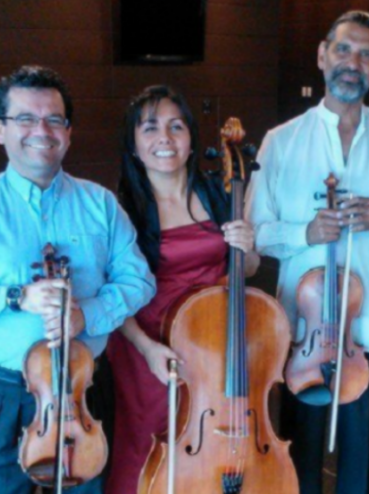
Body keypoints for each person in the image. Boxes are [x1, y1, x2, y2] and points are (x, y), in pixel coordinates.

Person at [246, 10, 369, 494]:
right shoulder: (281, 142)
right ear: (322, 56)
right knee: (300, 452)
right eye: (343, 50)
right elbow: (256, 233)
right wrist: (305, 233)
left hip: (368, 328)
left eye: (367, 55)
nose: (353, 63)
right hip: (303, 331)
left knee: (361, 452)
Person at [0, 65, 155, 494]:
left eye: (54, 119)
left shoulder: (100, 203)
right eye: (25, 118)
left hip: (82, 391)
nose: (42, 130)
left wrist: (87, 315)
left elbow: (139, 280)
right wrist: (16, 296)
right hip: (1, 392)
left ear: (68, 133)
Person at [105, 85, 259, 494]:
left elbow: (246, 269)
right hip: (151, 344)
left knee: (210, 436)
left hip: (213, 340)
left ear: (191, 139)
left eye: (176, 126)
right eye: (150, 128)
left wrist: (248, 248)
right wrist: (147, 349)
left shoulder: (217, 193)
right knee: (148, 443)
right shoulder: (123, 209)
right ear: (134, 145)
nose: (166, 138)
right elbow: (112, 295)